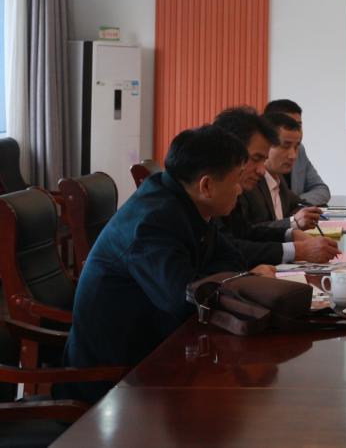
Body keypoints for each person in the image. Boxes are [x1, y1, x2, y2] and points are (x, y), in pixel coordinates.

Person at [63, 125, 273, 402]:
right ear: (206, 185)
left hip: (161, 352)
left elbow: (231, 258)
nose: (240, 190)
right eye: (236, 180)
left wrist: (221, 279)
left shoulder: (186, 202)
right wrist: (237, 280)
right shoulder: (153, 222)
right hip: (116, 382)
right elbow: (183, 301)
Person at [213, 107, 338, 267]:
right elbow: (225, 250)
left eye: (296, 147)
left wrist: (290, 234)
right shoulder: (231, 191)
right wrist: (297, 249)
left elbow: (244, 233)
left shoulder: (273, 180)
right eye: (256, 158)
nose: (261, 170)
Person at [264, 99, 331, 205]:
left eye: (298, 125)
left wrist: (293, 203)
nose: (293, 156)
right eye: (286, 146)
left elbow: (322, 190)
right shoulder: (254, 175)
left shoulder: (299, 150)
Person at [247, 111, 305, 225]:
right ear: (267, 145)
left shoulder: (278, 179)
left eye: (296, 147)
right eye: (285, 146)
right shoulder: (249, 184)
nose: (293, 156)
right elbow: (248, 231)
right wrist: (292, 222)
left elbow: (299, 205)